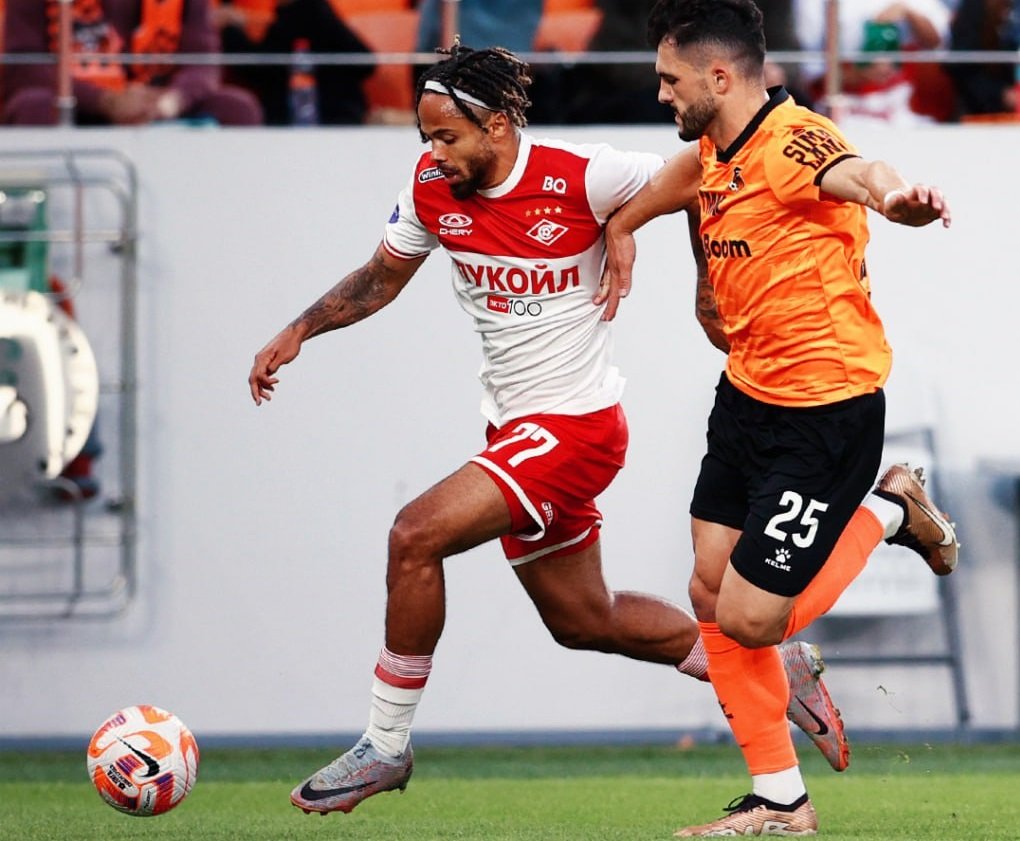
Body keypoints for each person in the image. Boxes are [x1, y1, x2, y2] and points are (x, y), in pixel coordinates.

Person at [248, 41, 851, 817]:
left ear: (497, 125)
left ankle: (385, 744)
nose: (434, 153)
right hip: (513, 432)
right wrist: (298, 329)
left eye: (447, 136)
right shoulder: (431, 188)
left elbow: (704, 174)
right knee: (584, 619)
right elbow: (379, 277)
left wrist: (696, 280)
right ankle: (775, 665)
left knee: (414, 535)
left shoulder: (582, 174)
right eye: (427, 138)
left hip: (576, 427)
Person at [600, 0, 959, 835]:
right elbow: (668, 190)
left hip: (826, 413)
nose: (662, 93)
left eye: (671, 80)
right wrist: (621, 227)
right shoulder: (711, 151)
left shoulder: (795, 141)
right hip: (747, 398)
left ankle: (892, 507)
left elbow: (861, 173)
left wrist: (898, 200)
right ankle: (781, 798)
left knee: (749, 617)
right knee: (707, 583)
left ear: (719, 76)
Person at [2, 0, 262, 126]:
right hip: (76, 104)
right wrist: (104, 101)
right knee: (33, 105)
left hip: (160, 103)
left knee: (237, 107)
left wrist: (171, 101)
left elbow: (203, 63)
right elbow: (24, 65)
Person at [214, 0, 375, 125]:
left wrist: (231, 30)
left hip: (319, 120)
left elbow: (258, 68)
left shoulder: (306, 12)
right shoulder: (311, 12)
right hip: (323, 119)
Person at [947, 0, 1020, 118]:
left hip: (1007, 105)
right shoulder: (974, 8)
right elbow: (961, 67)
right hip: (976, 108)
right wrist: (1000, 94)